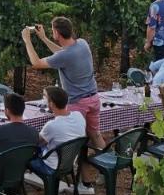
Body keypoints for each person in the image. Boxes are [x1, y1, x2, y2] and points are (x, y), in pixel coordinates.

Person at [22, 17, 104, 154]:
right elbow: (62, 52)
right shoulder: (82, 44)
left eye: (52, 30)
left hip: (78, 103)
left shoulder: (65, 56)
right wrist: (44, 38)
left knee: (75, 142)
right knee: (95, 134)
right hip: (94, 98)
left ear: (57, 34)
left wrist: (27, 41)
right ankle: (108, 164)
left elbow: (36, 63)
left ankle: (79, 172)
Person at [25, 86, 90, 193]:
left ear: (52, 104)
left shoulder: (52, 125)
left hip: (51, 166)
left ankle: (15, 190)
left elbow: (36, 143)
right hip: (69, 162)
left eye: (45, 98)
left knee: (25, 153)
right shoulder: (79, 116)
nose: (43, 100)